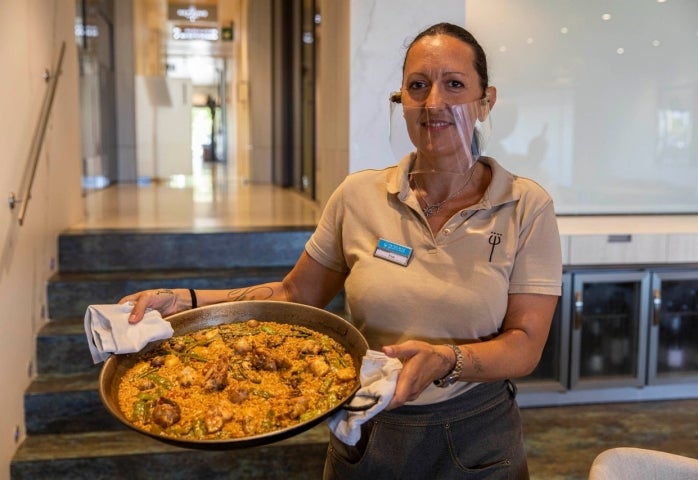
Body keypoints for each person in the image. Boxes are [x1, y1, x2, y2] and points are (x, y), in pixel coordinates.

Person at [121, 22, 562, 480]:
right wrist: (185, 303)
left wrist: (447, 360)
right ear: (402, 102)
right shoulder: (358, 196)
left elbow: (525, 346)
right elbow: (295, 295)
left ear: (485, 102)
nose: (434, 103)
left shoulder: (526, 206)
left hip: (476, 440)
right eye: (417, 86)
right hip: (368, 428)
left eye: (454, 85)